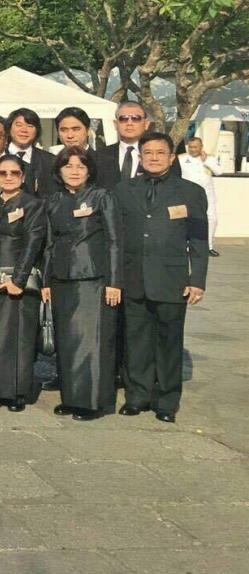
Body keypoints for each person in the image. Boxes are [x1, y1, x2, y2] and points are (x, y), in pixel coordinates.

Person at [114, 132, 208, 423]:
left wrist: (198, 280)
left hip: (171, 279)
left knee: (169, 342)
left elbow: (199, 241)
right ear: (140, 157)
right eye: (148, 153)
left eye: (160, 152)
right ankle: (137, 396)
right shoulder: (123, 189)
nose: (153, 157)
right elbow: (116, 238)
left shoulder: (191, 191)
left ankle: (167, 401)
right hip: (134, 277)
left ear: (172, 157)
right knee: (136, 341)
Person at [43, 147, 121, 421]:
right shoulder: (53, 200)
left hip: (93, 278)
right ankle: (71, 396)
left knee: (91, 341)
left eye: (80, 166)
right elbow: (49, 244)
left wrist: (114, 282)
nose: (74, 171)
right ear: (59, 170)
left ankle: (91, 402)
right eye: (68, 166)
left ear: (89, 170)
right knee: (66, 342)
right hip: (62, 278)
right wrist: (46, 281)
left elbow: (114, 241)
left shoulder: (102, 197)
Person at [0, 155, 48, 412]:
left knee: (18, 336)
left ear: (23, 177)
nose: (8, 177)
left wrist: (18, 279)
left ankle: (17, 391)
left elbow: (33, 242)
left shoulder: (33, 204)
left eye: (14, 173)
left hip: (18, 275)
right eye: (3, 173)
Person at [179, 137, 220, 256]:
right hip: (188, 196)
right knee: (186, 221)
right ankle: (187, 246)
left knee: (212, 219)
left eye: (195, 147)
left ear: (201, 147)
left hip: (208, 195)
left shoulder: (210, 158)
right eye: (190, 147)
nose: (192, 149)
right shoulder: (182, 159)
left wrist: (206, 160)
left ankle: (209, 246)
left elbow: (219, 171)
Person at [5, 108, 57, 197]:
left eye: (30, 126)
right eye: (19, 125)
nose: (24, 130)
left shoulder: (50, 160)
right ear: (9, 128)